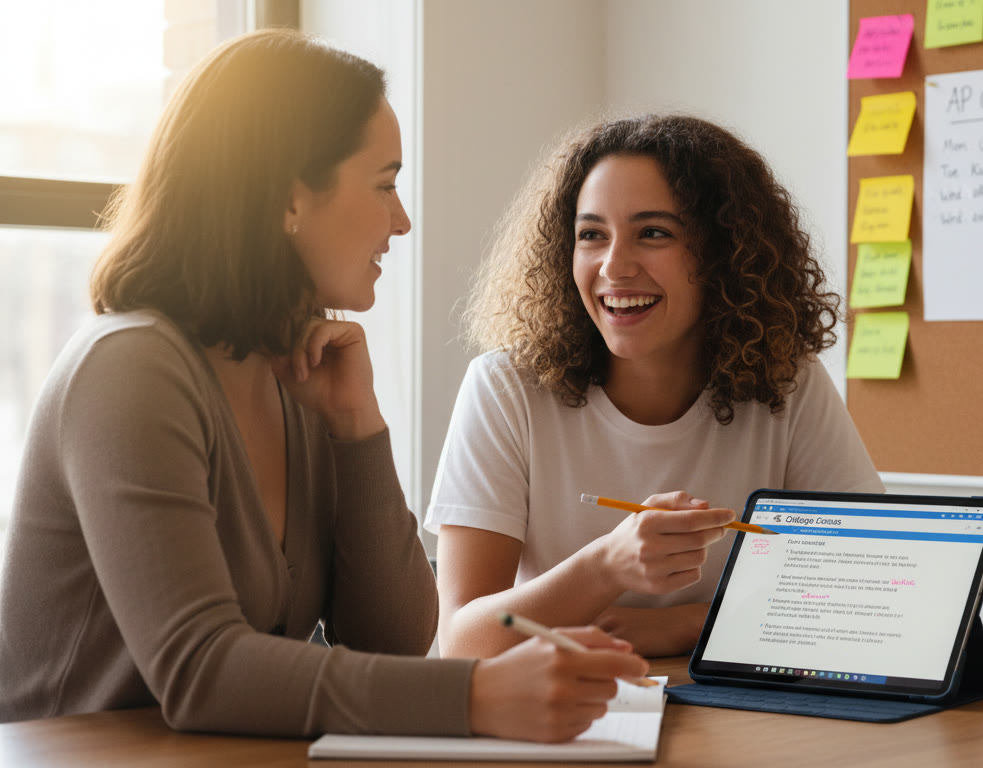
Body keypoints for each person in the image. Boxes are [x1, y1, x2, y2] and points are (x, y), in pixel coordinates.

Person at [0, 29, 646, 742]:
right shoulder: (128, 371)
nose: (401, 221)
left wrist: (357, 428)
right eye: (384, 183)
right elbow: (199, 671)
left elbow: (392, 638)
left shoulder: (296, 372)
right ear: (287, 199)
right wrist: (475, 695)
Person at [429, 114, 885, 660]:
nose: (614, 266)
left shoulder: (789, 386)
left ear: (725, 254)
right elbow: (462, 641)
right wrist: (607, 565)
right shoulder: (505, 389)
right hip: (567, 719)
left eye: (654, 233)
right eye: (591, 235)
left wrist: (691, 625)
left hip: (741, 718)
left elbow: (866, 592)